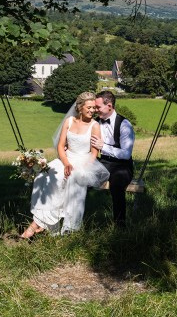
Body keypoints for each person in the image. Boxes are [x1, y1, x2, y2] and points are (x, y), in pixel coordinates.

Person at [18, 91, 109, 239]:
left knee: (70, 180)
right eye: (89, 107)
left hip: (83, 161)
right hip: (66, 158)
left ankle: (40, 226)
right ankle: (44, 222)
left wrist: (81, 167)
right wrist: (66, 163)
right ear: (80, 107)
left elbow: (94, 154)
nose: (93, 111)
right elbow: (61, 146)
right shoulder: (69, 121)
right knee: (44, 177)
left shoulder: (95, 126)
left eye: (94, 108)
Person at [91, 90, 135, 228]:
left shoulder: (125, 124)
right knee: (81, 179)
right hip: (103, 162)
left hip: (122, 165)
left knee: (117, 184)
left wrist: (103, 146)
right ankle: (75, 221)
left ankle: (120, 226)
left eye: (98, 107)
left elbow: (126, 154)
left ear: (109, 106)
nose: (95, 110)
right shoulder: (95, 123)